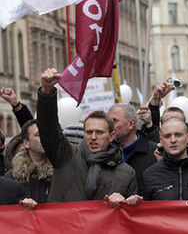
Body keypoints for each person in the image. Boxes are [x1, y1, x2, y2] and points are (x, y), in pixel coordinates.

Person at [36, 68, 137, 203]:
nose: (93, 137)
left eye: (99, 132)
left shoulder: (126, 173)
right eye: (89, 132)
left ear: (111, 136)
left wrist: (125, 203)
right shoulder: (65, 156)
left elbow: (130, 218)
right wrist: (47, 92)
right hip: (64, 223)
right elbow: (48, 128)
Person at [143, 118, 188, 201]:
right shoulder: (150, 175)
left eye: (178, 135)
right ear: (161, 141)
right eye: (167, 136)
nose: (173, 140)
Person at [108, 103, 157, 196]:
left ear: (131, 124)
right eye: (108, 122)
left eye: (114, 121)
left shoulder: (154, 153)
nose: (109, 126)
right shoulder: (105, 153)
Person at [5, 119, 53, 204]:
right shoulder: (11, 177)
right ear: (26, 143)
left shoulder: (60, 174)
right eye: (38, 135)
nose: (44, 137)